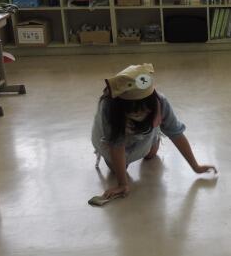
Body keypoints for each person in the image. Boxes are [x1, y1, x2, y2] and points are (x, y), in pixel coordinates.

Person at [92, 63, 216, 199]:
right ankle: (136, 149)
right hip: (115, 139)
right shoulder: (109, 109)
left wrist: (196, 166)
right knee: (117, 169)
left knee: (151, 153)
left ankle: (154, 139)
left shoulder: (161, 102)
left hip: (144, 133)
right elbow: (116, 145)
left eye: (144, 109)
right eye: (134, 110)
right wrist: (122, 184)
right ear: (121, 107)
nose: (139, 113)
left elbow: (176, 133)